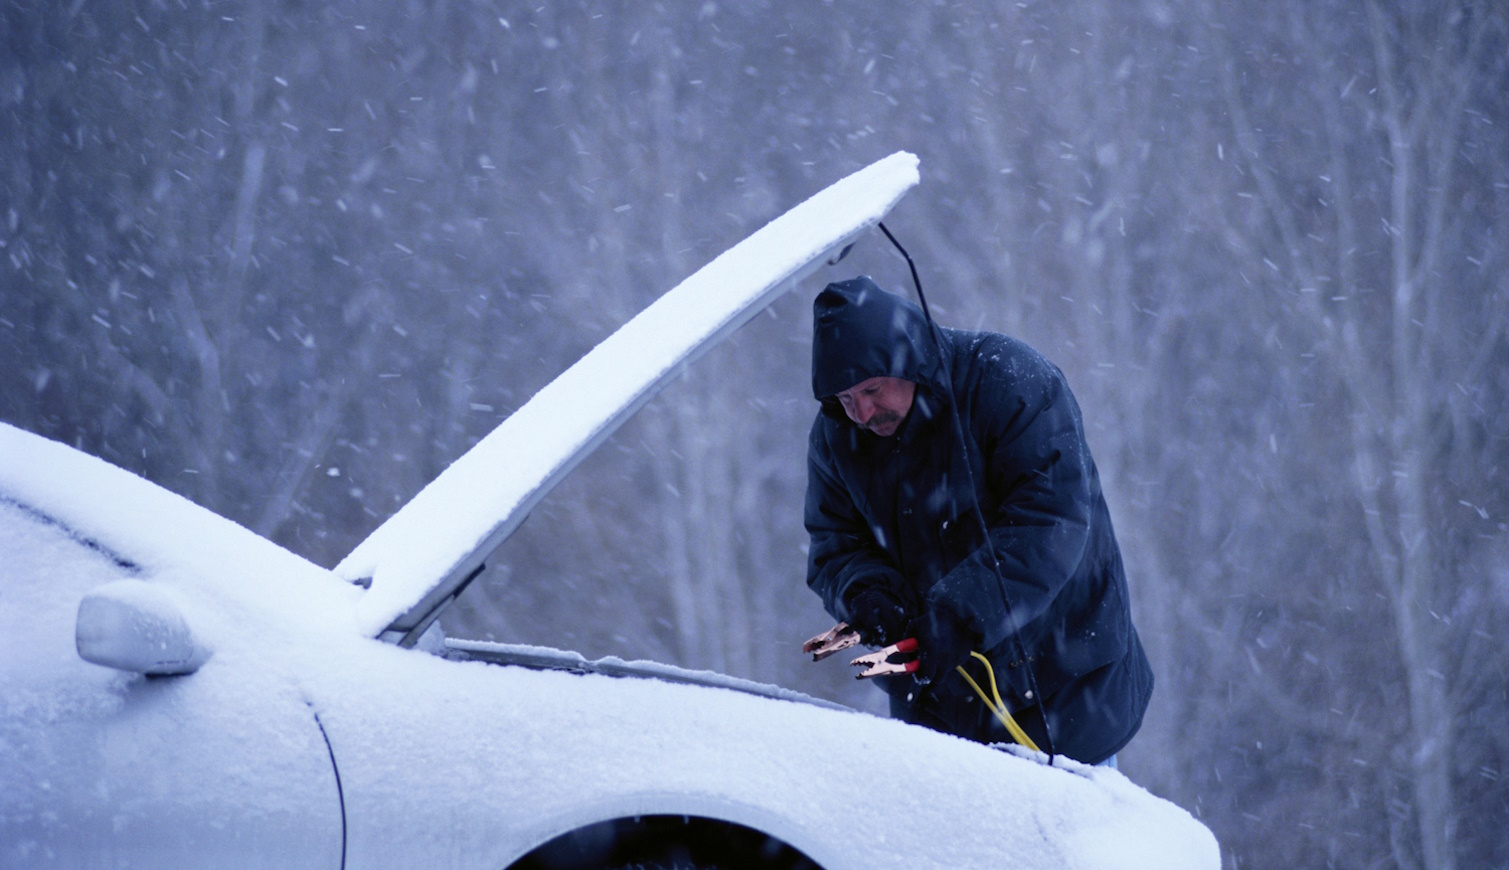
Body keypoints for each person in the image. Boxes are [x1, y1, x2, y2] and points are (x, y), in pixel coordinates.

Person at [804, 276, 1152, 765]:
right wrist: (868, 595)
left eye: (871, 388)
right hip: (940, 721)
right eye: (843, 399)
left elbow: (1050, 523)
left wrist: (959, 616)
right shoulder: (836, 438)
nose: (860, 412)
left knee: (1077, 841)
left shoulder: (1008, 381)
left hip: (1065, 698)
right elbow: (833, 547)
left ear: (906, 357)